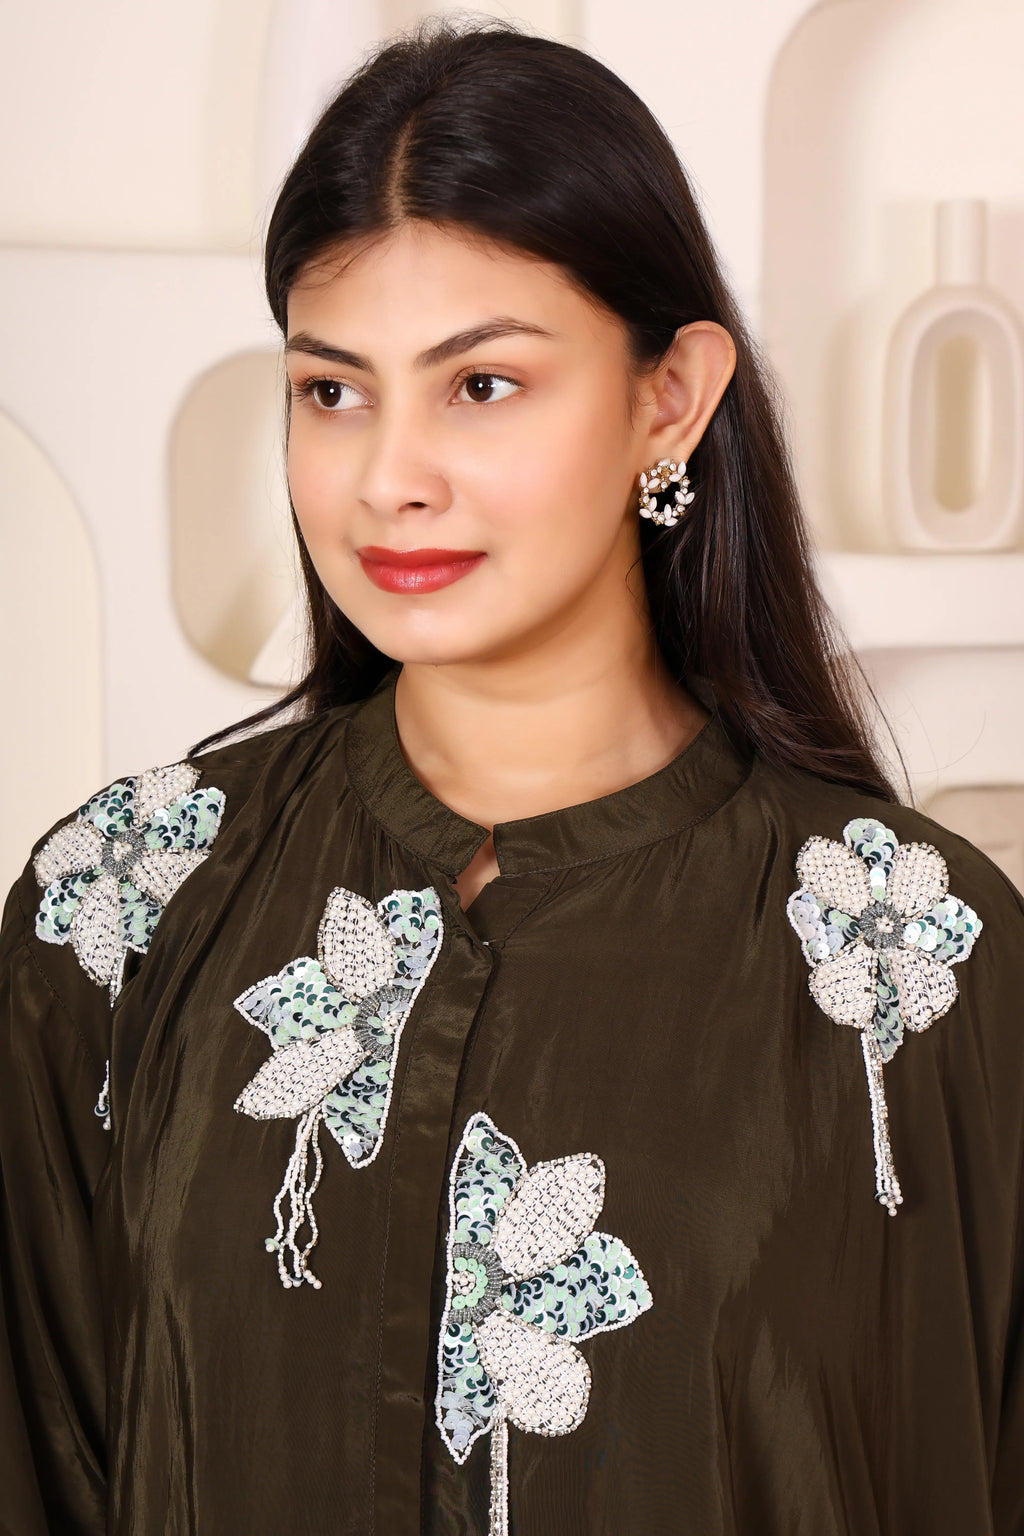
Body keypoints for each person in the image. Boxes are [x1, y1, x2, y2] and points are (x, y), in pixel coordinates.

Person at [1, 19, 1021, 1536]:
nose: (388, 475)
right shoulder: (123, 908)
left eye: (481, 386)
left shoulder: (913, 963)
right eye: (331, 391)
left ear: (668, 398)